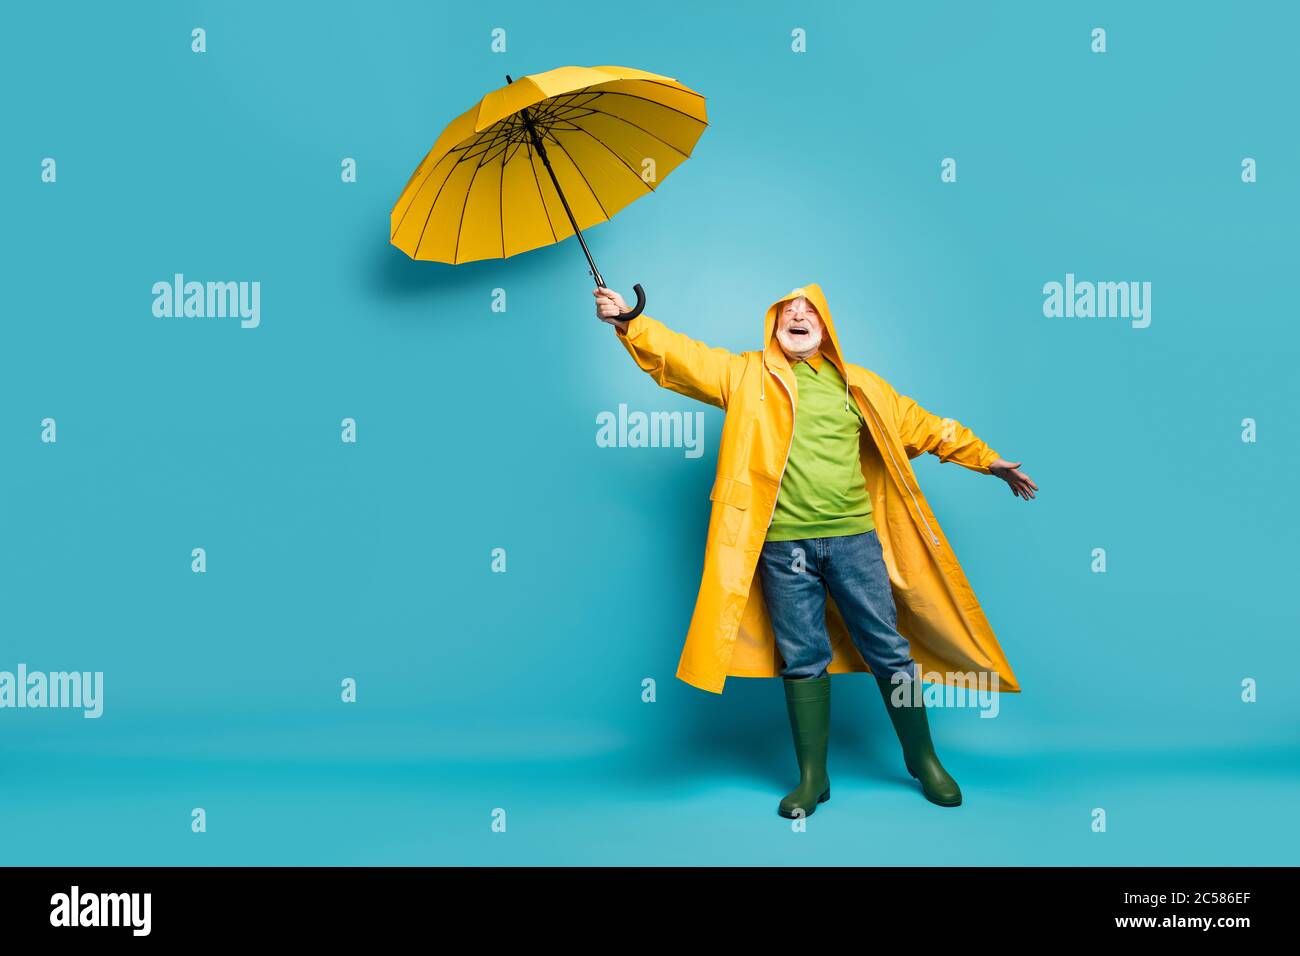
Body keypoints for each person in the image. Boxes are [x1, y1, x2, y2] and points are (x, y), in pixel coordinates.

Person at [596, 283, 1037, 816]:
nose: (798, 316)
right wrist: (629, 322)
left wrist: (987, 460)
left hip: (855, 543)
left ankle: (924, 761)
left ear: (825, 329)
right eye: (789, 311)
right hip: (783, 550)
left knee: (890, 652)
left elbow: (928, 427)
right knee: (802, 657)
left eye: (809, 312)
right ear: (775, 325)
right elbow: (681, 357)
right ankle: (812, 778)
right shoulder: (745, 375)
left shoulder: (861, 388)